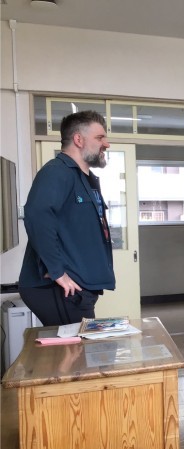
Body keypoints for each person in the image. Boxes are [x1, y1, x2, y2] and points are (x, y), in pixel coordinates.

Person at [19, 111, 115, 326]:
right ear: (78, 139)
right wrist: (57, 272)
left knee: (77, 346)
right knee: (75, 346)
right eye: (100, 137)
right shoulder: (57, 172)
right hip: (60, 288)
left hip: (78, 286)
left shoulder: (83, 179)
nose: (106, 144)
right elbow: (36, 216)